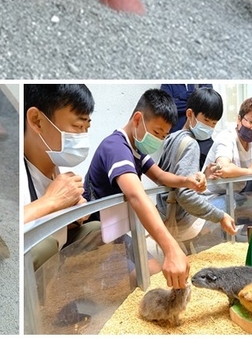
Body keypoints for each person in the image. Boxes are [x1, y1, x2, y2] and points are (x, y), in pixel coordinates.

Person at [83, 88, 206, 289]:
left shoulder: (136, 148)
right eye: (157, 132)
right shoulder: (116, 147)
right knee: (140, 277)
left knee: (152, 270)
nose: (159, 140)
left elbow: (159, 176)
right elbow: (136, 195)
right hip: (98, 236)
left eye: (164, 135)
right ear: (138, 119)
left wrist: (188, 181)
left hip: (117, 233)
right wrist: (171, 247)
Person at [23, 84, 97, 271]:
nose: (83, 137)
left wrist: (72, 215)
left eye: (86, 128)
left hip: (57, 257)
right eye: (78, 126)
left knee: (95, 230)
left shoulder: (55, 165)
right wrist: (52, 201)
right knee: (41, 248)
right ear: (37, 121)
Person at [154, 88, 237, 250]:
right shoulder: (191, 144)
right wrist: (220, 217)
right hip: (180, 220)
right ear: (190, 114)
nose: (209, 127)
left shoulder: (172, 137)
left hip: (163, 212)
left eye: (213, 124)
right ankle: (200, 246)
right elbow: (185, 195)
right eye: (206, 121)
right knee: (228, 202)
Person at [205, 95, 252, 226]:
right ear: (239, 119)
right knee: (228, 206)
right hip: (211, 197)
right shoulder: (227, 137)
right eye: (251, 121)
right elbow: (223, 169)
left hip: (233, 195)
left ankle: (237, 234)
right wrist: (250, 171)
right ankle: (210, 234)